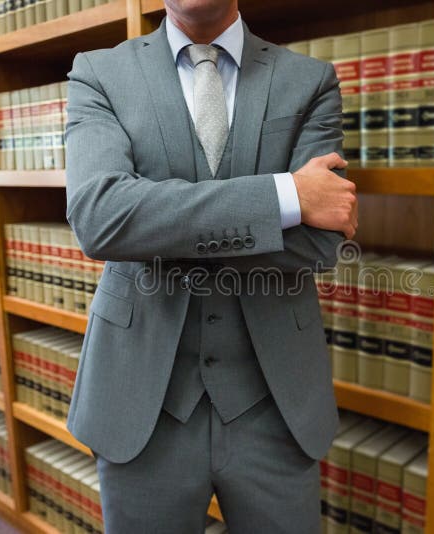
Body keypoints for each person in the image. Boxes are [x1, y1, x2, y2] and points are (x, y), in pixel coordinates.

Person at [63, 0, 358, 531]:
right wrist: (287, 196)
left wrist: (155, 223)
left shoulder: (310, 81)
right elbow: (100, 218)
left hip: (276, 403)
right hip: (141, 401)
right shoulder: (99, 73)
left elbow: (319, 241)